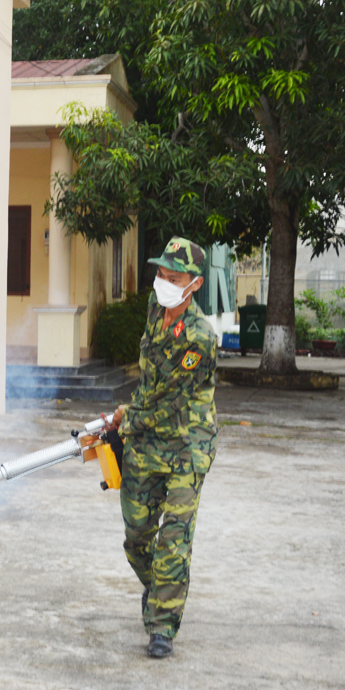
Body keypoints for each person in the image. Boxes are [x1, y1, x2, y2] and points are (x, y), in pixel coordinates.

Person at [108, 237, 218, 658]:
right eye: (161, 274)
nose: (163, 283)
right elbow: (151, 384)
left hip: (188, 444)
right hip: (148, 439)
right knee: (136, 536)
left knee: (173, 537)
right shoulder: (156, 311)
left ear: (194, 284)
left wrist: (126, 419)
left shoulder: (200, 339)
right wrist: (127, 413)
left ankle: (162, 626)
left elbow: (171, 399)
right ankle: (160, 591)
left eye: (174, 278)